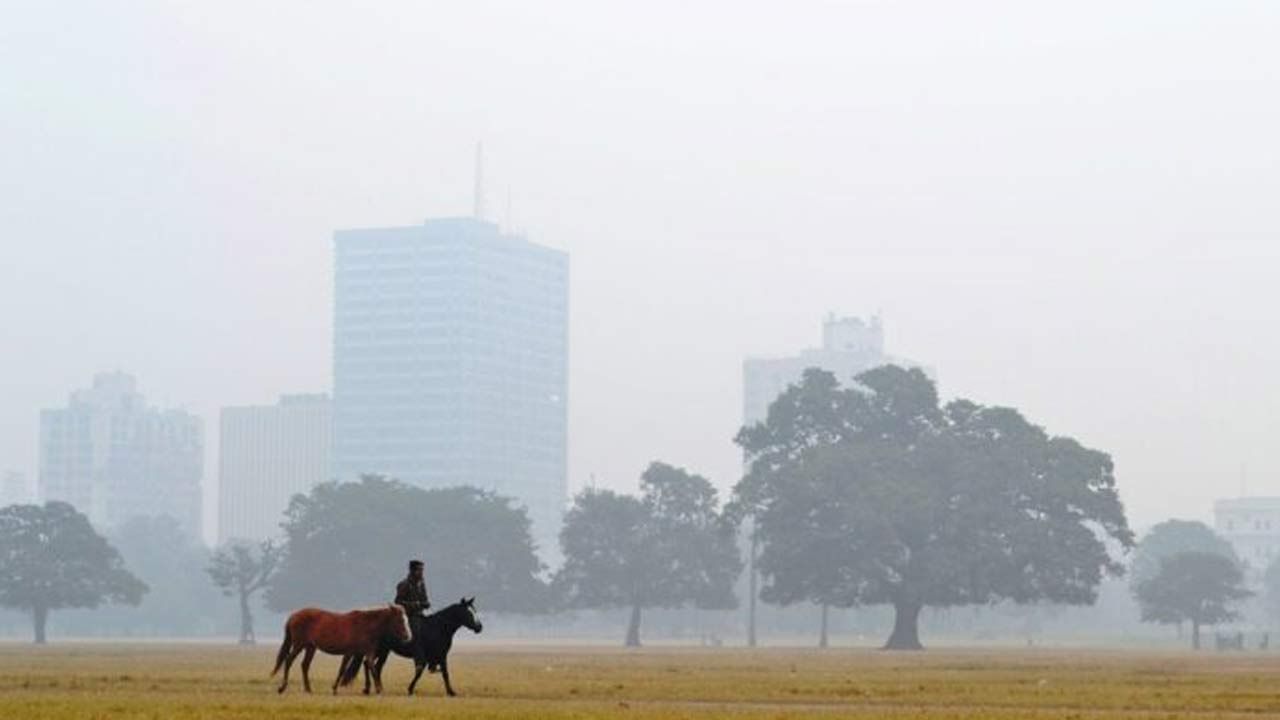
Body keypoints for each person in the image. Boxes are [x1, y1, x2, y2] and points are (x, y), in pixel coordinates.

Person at [394, 559, 437, 672]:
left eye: (422, 570)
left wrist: (426, 603)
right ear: (413, 571)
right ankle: (418, 663)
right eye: (420, 570)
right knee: (416, 634)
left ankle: (433, 663)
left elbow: (424, 599)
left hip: (420, 614)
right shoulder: (403, 584)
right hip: (409, 616)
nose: (422, 572)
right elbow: (398, 602)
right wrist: (415, 605)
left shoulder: (421, 583)